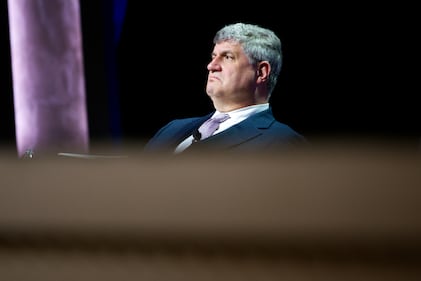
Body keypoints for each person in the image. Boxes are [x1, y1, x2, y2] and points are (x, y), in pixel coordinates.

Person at [144, 22, 306, 154]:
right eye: (213, 57)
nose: (211, 66)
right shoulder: (172, 128)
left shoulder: (283, 142)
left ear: (261, 72)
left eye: (227, 57)